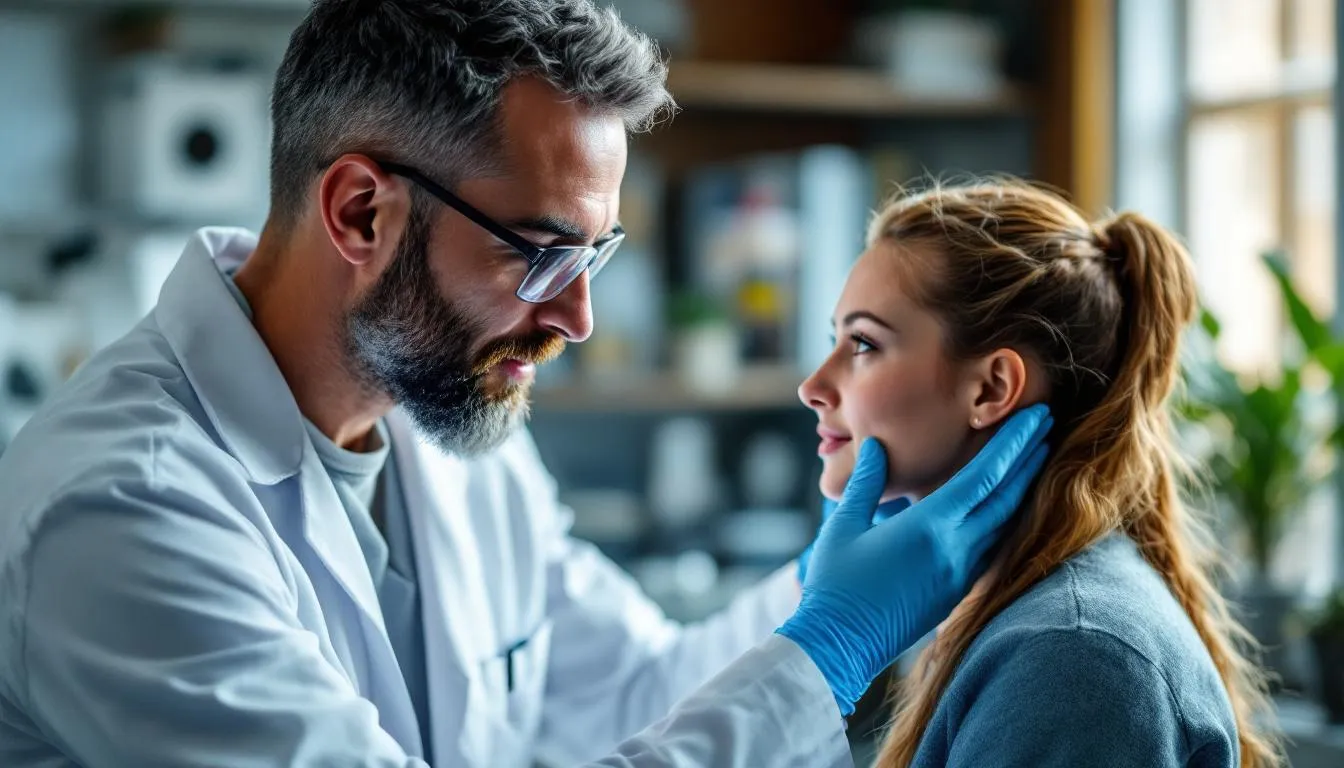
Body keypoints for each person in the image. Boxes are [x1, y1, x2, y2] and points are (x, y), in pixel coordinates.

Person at [0, 3, 1053, 767]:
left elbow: (634, 697)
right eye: (541, 256)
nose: (576, 320)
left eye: (594, 260)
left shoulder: (446, 424)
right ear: (362, 213)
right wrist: (833, 648)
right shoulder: (121, 508)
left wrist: (834, 586)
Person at [798, 178, 1282, 767]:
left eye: (864, 343)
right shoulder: (1032, 623)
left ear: (992, 387)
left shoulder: (1074, 657)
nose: (814, 387)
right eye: (835, 339)